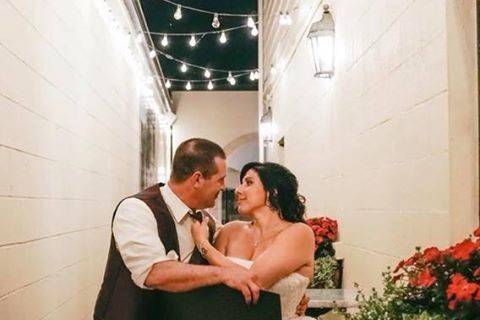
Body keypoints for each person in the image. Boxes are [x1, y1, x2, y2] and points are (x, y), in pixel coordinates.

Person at [93, 138, 308, 320]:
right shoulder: (137, 210)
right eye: (220, 179)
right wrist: (224, 274)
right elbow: (155, 273)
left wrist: (288, 293)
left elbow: (253, 272)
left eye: (247, 183)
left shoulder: (207, 223)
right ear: (197, 179)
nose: (227, 187)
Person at [191, 162, 316, 320]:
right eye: (241, 183)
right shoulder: (230, 230)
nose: (238, 190)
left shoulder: (299, 233)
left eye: (248, 183)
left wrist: (203, 244)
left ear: (273, 192)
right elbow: (210, 287)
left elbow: (255, 281)